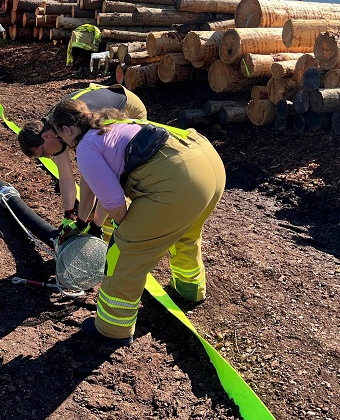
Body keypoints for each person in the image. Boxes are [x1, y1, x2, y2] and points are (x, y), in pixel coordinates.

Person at [49, 98, 225, 346]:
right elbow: (96, 189)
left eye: (60, 135)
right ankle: (190, 289)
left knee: (123, 253)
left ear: (67, 130)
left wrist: (124, 231)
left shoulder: (86, 146)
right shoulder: (109, 123)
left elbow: (113, 201)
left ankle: (113, 328)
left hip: (176, 183)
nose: (62, 142)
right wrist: (87, 222)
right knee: (184, 232)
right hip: (206, 163)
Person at [18, 85, 146, 242]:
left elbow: (93, 183)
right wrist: (68, 215)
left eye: (43, 153)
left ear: (46, 137)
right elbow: (65, 177)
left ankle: (120, 232)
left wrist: (83, 222)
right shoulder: (56, 132)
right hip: (100, 106)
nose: (48, 156)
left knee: (115, 175)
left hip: (128, 106)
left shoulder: (74, 131)